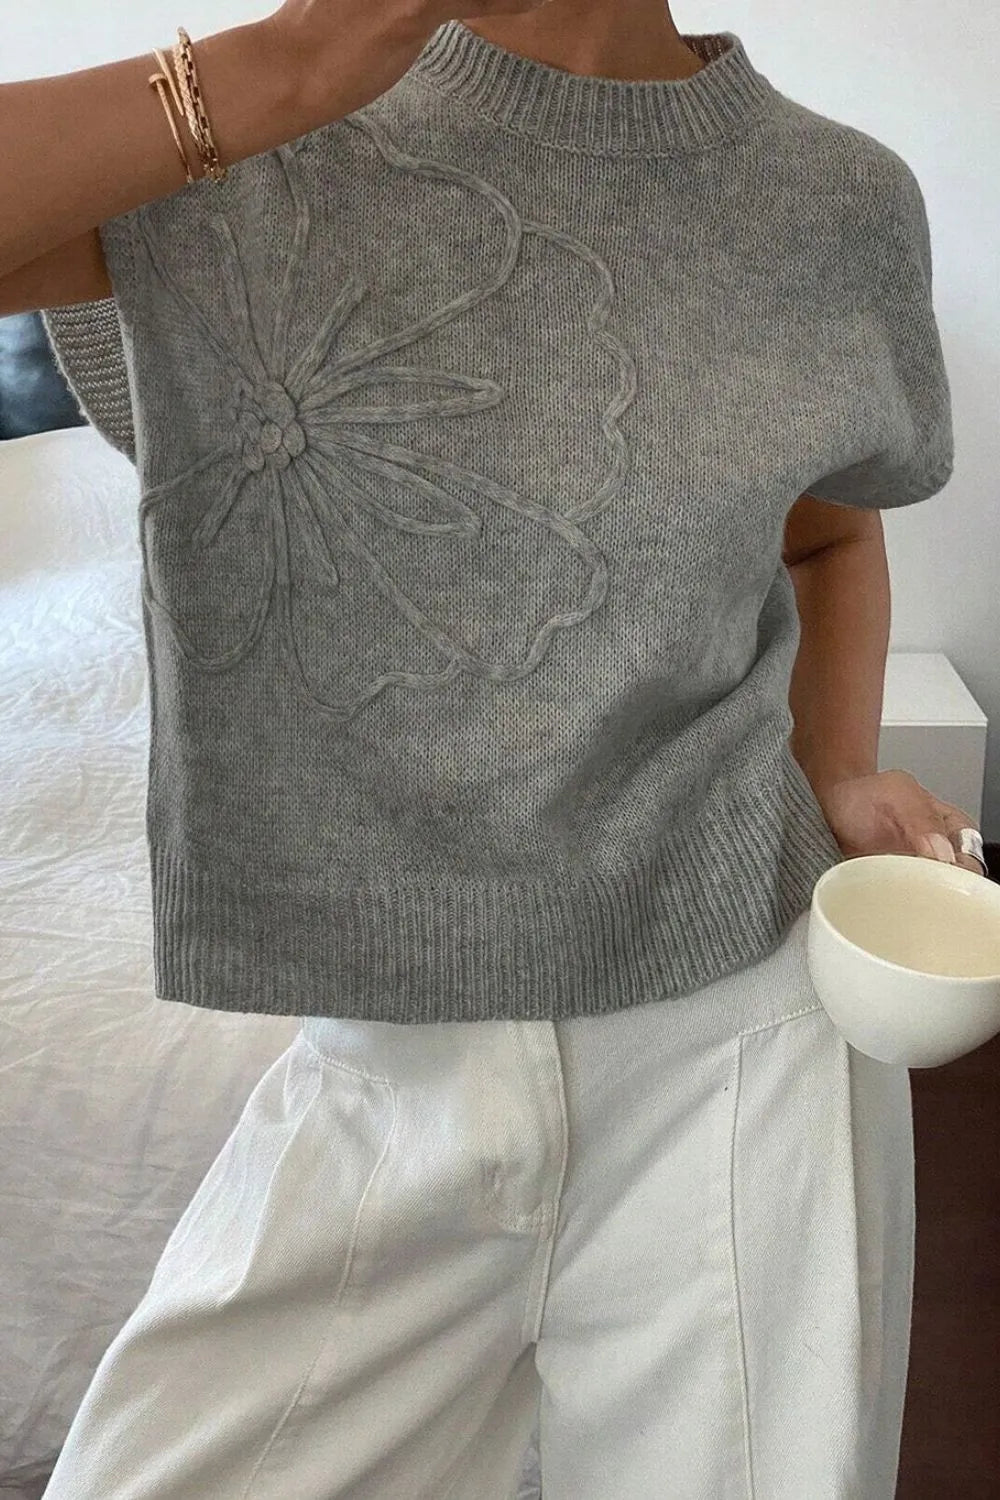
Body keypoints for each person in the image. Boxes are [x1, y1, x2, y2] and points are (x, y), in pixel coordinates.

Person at [1, 1, 974, 1495]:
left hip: (742, 1024)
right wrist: (292, 67)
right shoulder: (244, 143)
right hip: (386, 1049)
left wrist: (839, 767)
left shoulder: (835, 200)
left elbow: (828, 536)